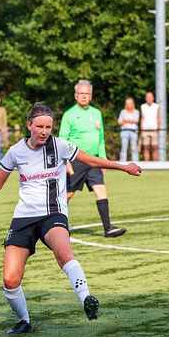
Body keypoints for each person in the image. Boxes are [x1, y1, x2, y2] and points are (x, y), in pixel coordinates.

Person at [0, 102, 141, 335]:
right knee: (10, 279)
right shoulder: (15, 151)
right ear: (29, 125)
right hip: (24, 218)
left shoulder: (60, 146)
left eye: (48, 127)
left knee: (64, 253)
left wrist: (124, 167)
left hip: (53, 214)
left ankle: (86, 298)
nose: (44, 131)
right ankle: (24, 321)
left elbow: (92, 160)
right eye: (40, 126)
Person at [59, 79, 126, 238]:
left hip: (94, 161)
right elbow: (62, 139)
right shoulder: (69, 115)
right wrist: (66, 161)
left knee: (101, 190)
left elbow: (101, 139)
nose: (84, 96)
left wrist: (103, 161)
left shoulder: (96, 113)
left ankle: (108, 228)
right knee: (68, 194)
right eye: (81, 93)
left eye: (87, 94)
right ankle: (59, 227)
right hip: (76, 161)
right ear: (75, 96)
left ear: (91, 96)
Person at [117, 97, 140, 162]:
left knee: (134, 148)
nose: (128, 105)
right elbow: (119, 122)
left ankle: (136, 163)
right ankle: (122, 163)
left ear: (133, 104)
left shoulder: (136, 112)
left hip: (133, 132)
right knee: (124, 148)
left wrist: (125, 121)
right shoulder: (123, 111)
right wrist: (130, 121)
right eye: (127, 104)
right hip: (124, 131)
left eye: (129, 104)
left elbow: (136, 121)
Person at [140, 91, 160, 161]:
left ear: (153, 98)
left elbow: (158, 118)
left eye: (150, 98)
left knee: (155, 147)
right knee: (146, 147)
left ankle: (155, 165)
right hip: (145, 129)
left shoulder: (156, 106)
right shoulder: (142, 106)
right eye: (148, 98)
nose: (149, 99)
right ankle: (147, 164)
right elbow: (142, 118)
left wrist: (157, 128)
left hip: (154, 130)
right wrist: (141, 129)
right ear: (146, 98)